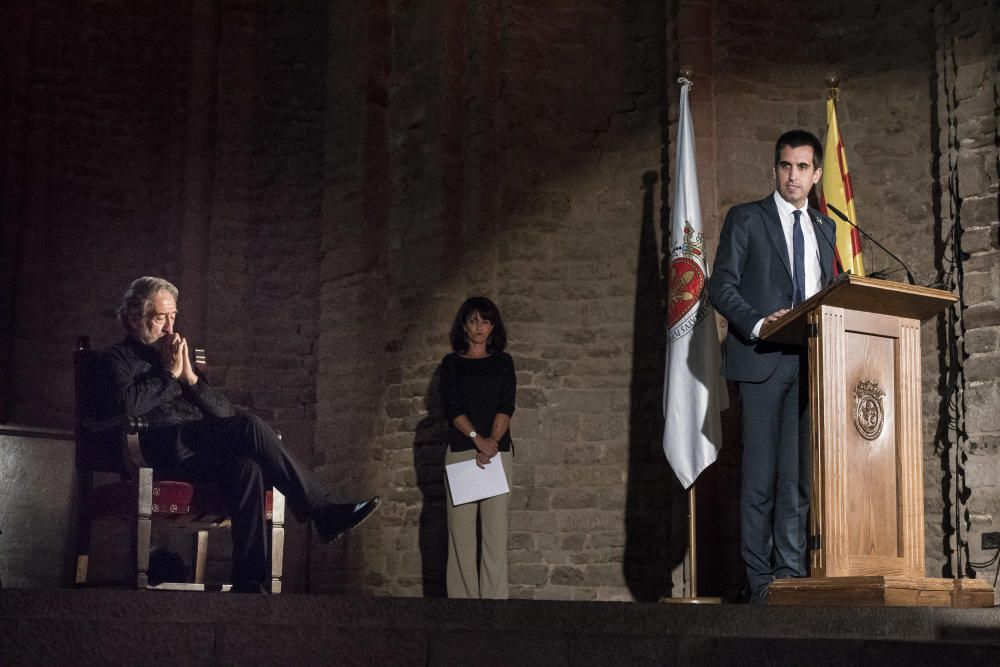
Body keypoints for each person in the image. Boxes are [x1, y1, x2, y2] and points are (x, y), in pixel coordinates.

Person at [102, 276, 381, 593]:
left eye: (173, 316)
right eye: (160, 317)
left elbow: (224, 414)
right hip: (157, 447)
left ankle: (250, 582)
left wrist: (190, 378)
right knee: (249, 426)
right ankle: (322, 510)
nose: (169, 327)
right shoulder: (115, 358)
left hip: (196, 449)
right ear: (136, 317)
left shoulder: (174, 353)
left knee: (248, 467)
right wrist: (168, 374)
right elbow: (127, 406)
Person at [708, 130, 838, 605]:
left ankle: (789, 575)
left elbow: (829, 291)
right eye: (786, 166)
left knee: (797, 480)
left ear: (817, 174)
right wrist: (759, 322)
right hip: (762, 360)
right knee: (759, 479)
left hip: (811, 364)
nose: (793, 176)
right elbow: (720, 286)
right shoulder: (747, 219)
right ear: (775, 169)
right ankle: (759, 581)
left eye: (803, 167)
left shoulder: (827, 229)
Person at [439, 297, 516, 599]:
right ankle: (462, 605)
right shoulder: (451, 364)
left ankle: (495, 605)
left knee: (496, 536)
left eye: (485, 321)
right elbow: (452, 407)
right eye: (473, 321)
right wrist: (477, 439)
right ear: (464, 326)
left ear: (493, 326)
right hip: (461, 453)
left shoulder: (503, 362)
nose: (479, 327)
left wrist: (492, 443)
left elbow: (506, 405)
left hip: (497, 453)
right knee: (461, 536)